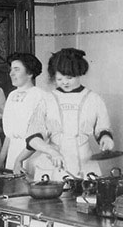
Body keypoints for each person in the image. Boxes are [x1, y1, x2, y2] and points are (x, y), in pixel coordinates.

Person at [26, 47, 114, 179]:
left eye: (69, 78)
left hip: (86, 163)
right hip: (53, 165)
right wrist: (51, 151)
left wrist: (106, 138)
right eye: (60, 79)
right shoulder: (47, 100)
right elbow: (33, 137)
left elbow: (103, 128)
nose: (65, 82)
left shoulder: (94, 99)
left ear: (79, 73)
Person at [0, 52, 45, 174]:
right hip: (13, 152)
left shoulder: (40, 95)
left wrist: (20, 158)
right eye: (11, 69)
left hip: (32, 153)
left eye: (16, 69)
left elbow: (41, 133)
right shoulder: (12, 95)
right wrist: (1, 158)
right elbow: (10, 134)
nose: (11, 74)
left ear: (30, 73)